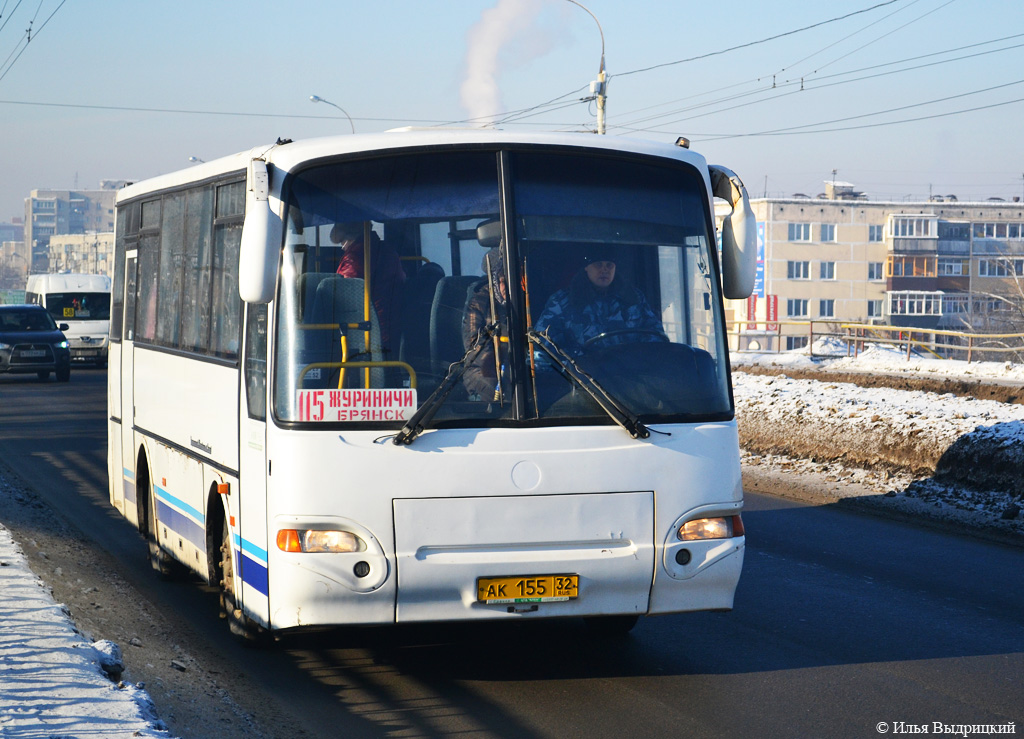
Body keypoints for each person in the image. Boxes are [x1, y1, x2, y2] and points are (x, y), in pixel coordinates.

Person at [534, 248, 664, 357]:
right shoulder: (561, 302)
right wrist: (578, 359)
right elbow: (542, 346)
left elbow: (655, 335)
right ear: (586, 268)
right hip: (584, 381)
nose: (604, 270)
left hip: (632, 378)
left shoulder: (634, 298)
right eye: (598, 265)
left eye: (609, 265)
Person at [331, 221, 406, 353]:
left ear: (352, 236)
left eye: (343, 241)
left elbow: (346, 297)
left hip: (370, 328)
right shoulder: (387, 250)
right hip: (395, 323)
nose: (342, 247)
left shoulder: (354, 259)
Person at [462, 247, 508, 400]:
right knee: (498, 390)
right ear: (493, 280)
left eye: (510, 281)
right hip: (481, 370)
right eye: (502, 281)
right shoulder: (478, 303)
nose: (506, 288)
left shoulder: (522, 302)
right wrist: (505, 360)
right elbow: (475, 348)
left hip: (517, 367)